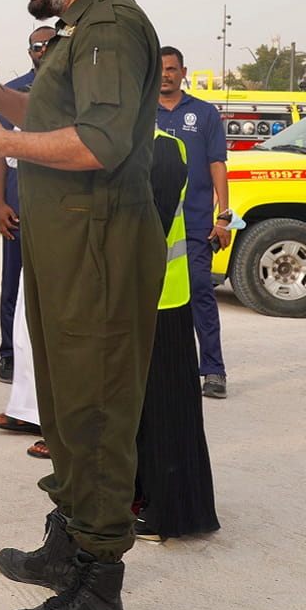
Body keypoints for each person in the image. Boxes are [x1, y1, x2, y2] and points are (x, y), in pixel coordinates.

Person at [0, 0, 163, 610]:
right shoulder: (78, 31)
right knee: (64, 397)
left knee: (98, 406)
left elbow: (102, 143)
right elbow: (55, 117)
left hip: (99, 246)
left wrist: (3, 142)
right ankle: (68, 540)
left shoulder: (107, 27)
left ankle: (99, 587)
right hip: (67, 241)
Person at [133, 129, 221, 542]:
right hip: (136, 301)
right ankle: (143, 498)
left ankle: (168, 511)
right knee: (140, 412)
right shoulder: (121, 140)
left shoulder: (163, 146)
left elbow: (151, 227)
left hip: (161, 300)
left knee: (165, 411)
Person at [157, 47, 233, 398]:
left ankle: (213, 371)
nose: (165, 75)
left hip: (195, 226)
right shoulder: (140, 114)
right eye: (159, 69)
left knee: (200, 296)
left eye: (172, 69)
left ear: (183, 72)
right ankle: (158, 370)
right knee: (152, 303)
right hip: (150, 227)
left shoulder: (204, 114)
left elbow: (217, 163)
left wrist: (223, 216)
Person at [0, 24, 57, 387]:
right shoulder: (11, 93)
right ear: (29, 52)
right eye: (36, 46)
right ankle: (9, 355)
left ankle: (51, 355)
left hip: (61, 207)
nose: (43, 51)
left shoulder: (75, 92)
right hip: (19, 205)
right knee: (13, 283)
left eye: (50, 45)